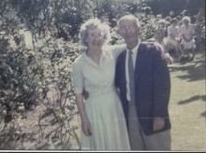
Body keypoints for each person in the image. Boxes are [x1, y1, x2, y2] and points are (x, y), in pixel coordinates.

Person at [70, 18, 130, 150]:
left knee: (117, 144)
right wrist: (84, 120)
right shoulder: (79, 64)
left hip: (114, 106)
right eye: (92, 35)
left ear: (104, 38)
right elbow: (78, 95)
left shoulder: (112, 52)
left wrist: (155, 45)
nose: (96, 39)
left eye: (100, 35)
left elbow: (133, 44)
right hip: (94, 111)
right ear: (85, 38)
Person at [115, 14, 171, 150]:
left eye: (131, 27)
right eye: (123, 28)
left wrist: (160, 114)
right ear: (119, 32)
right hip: (130, 114)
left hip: (152, 113)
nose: (127, 31)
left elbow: (163, 85)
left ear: (138, 28)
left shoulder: (153, 51)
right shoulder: (120, 58)